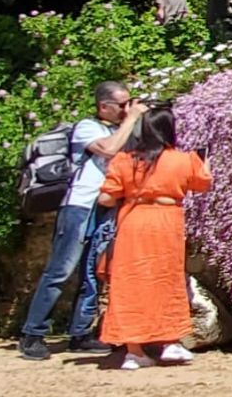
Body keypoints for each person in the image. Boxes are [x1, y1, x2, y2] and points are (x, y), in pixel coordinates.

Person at [19, 81, 145, 360]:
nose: (127, 109)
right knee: (60, 270)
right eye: (122, 105)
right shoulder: (88, 127)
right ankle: (32, 334)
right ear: (103, 106)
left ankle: (81, 333)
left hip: (105, 207)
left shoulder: (121, 129)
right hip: (79, 206)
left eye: (129, 103)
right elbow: (109, 150)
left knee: (91, 272)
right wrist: (133, 118)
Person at [96, 104, 212, 370]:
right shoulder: (183, 159)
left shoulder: (125, 160)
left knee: (130, 281)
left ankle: (134, 351)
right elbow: (203, 183)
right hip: (166, 221)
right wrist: (205, 163)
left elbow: (106, 198)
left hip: (134, 221)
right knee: (167, 279)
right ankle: (170, 341)